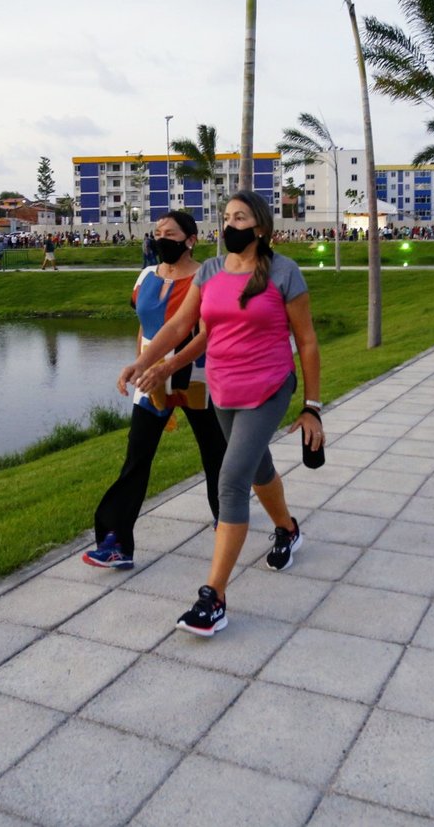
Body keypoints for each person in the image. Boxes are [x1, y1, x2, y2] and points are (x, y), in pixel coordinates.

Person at [121, 190, 322, 637]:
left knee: (230, 479)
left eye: (239, 218)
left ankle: (213, 598)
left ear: (261, 228)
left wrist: (312, 407)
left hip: (270, 387)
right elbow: (184, 328)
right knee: (255, 467)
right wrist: (150, 362)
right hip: (224, 389)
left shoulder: (285, 273)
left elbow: (306, 341)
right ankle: (287, 529)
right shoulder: (211, 272)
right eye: (226, 217)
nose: (229, 225)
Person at [86, 212, 226, 570]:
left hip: (197, 376)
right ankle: (117, 542)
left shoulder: (207, 277)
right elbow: (143, 329)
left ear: (190, 239)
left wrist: (166, 365)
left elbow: (206, 334)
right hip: (152, 379)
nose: (161, 239)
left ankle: (227, 516)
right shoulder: (147, 276)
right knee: (137, 458)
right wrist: (139, 365)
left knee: (215, 452)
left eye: (171, 233)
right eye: (158, 233)